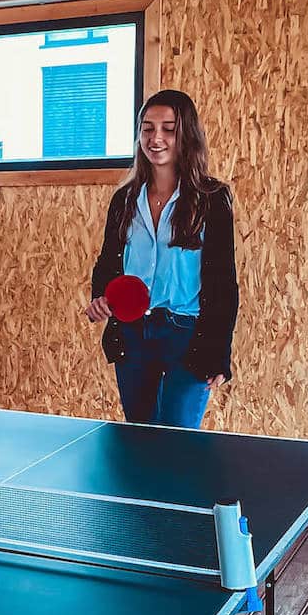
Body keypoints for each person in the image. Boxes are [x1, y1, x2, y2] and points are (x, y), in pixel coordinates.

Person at [86, 88, 238, 429]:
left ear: (187, 135)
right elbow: (108, 263)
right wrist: (100, 297)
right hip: (133, 334)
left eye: (169, 129)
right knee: (141, 444)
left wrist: (219, 350)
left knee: (178, 447)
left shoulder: (211, 199)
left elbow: (223, 281)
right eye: (147, 128)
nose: (156, 138)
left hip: (188, 335)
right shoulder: (124, 200)